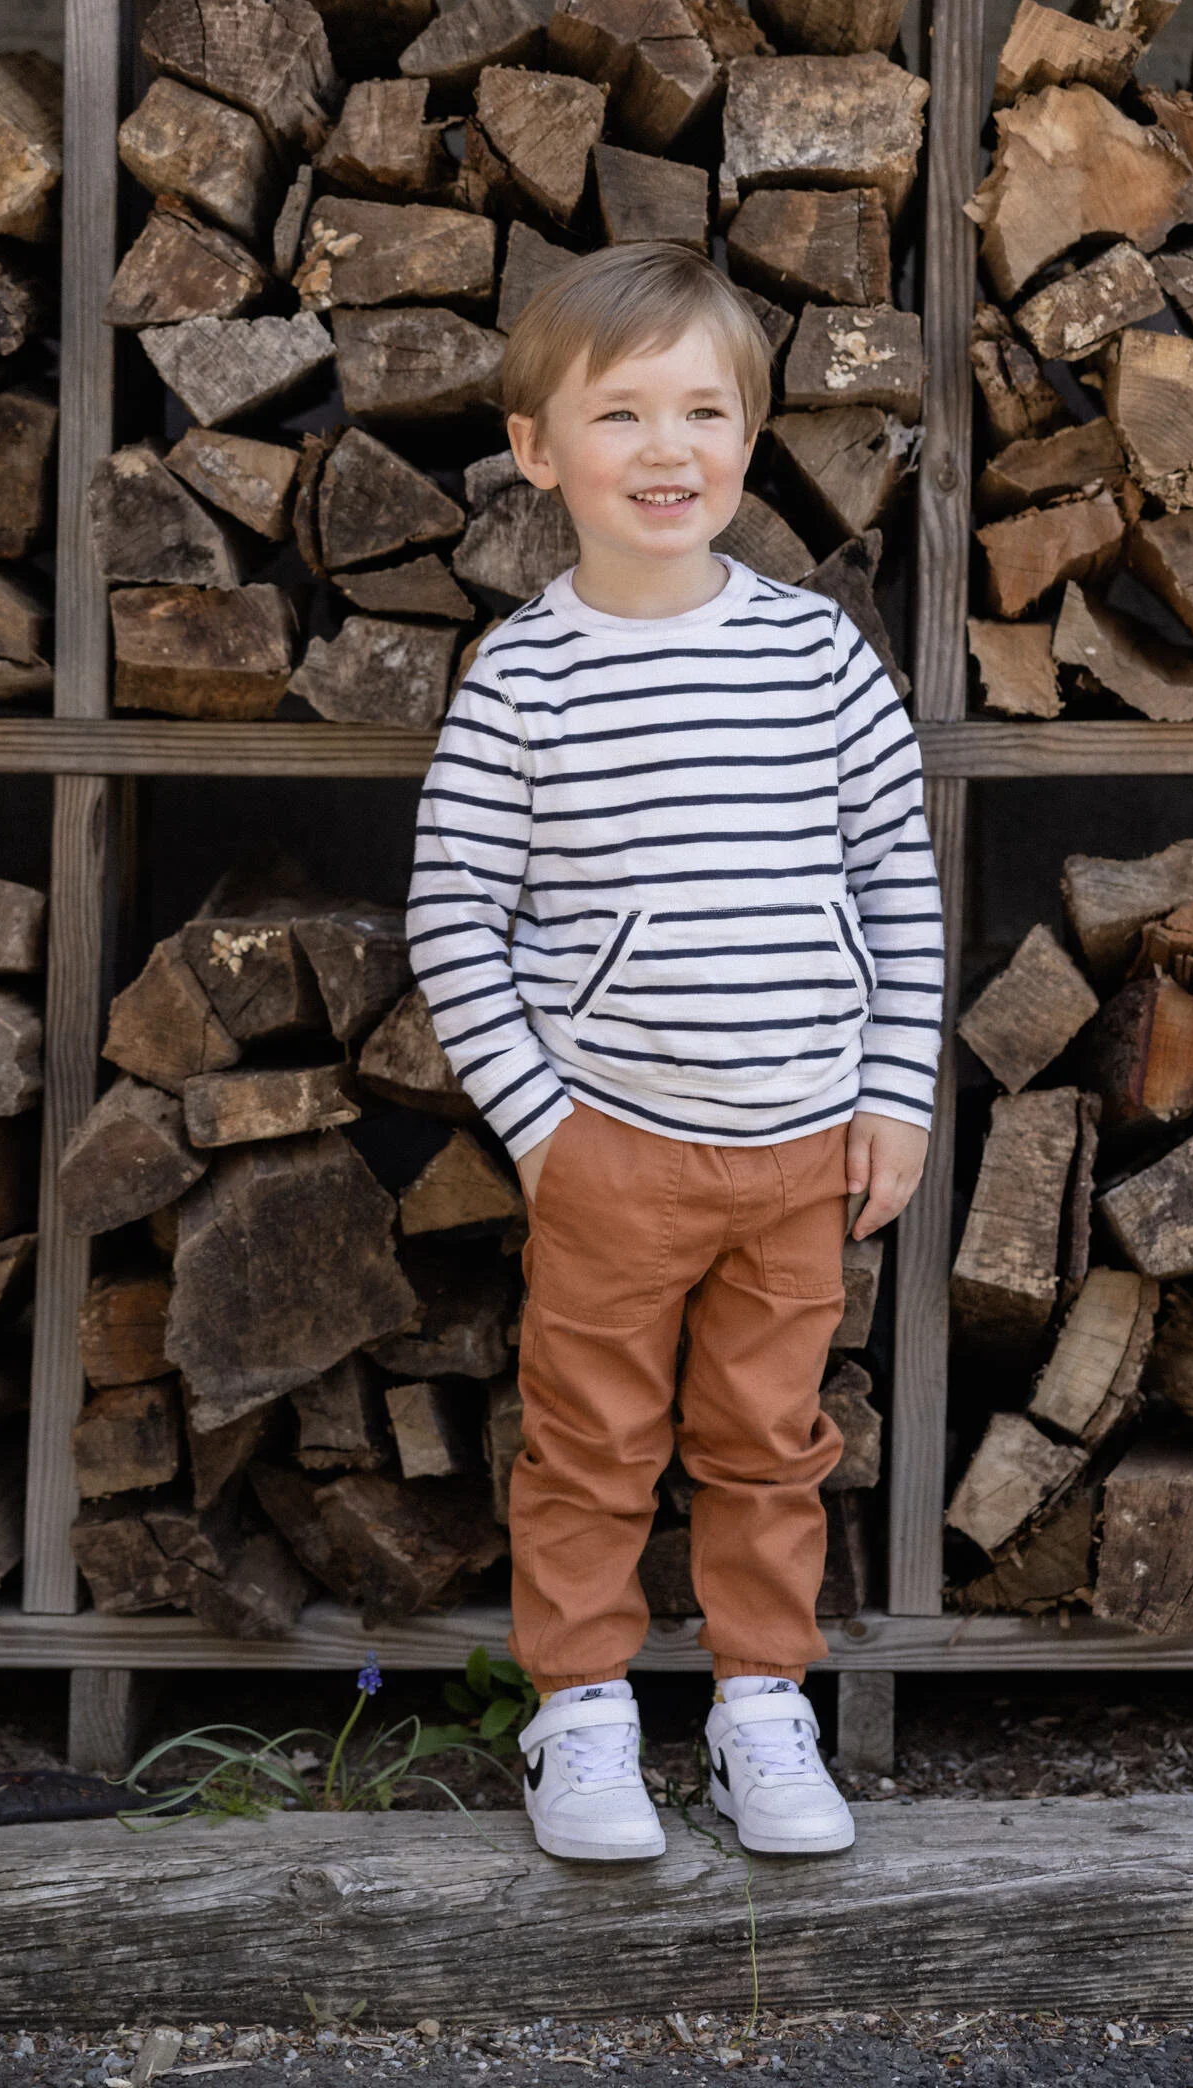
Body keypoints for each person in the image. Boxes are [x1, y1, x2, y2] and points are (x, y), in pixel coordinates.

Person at [407, 242, 943, 1862]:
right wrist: (544, 1130)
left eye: (704, 412)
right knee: (591, 1442)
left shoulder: (816, 656)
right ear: (536, 449)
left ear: (750, 437)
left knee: (770, 1444)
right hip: (614, 1146)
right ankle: (578, 1715)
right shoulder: (526, 679)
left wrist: (896, 1091)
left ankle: (761, 1703)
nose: (667, 449)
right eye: (621, 413)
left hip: (803, 1148)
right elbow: (454, 915)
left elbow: (895, 879)